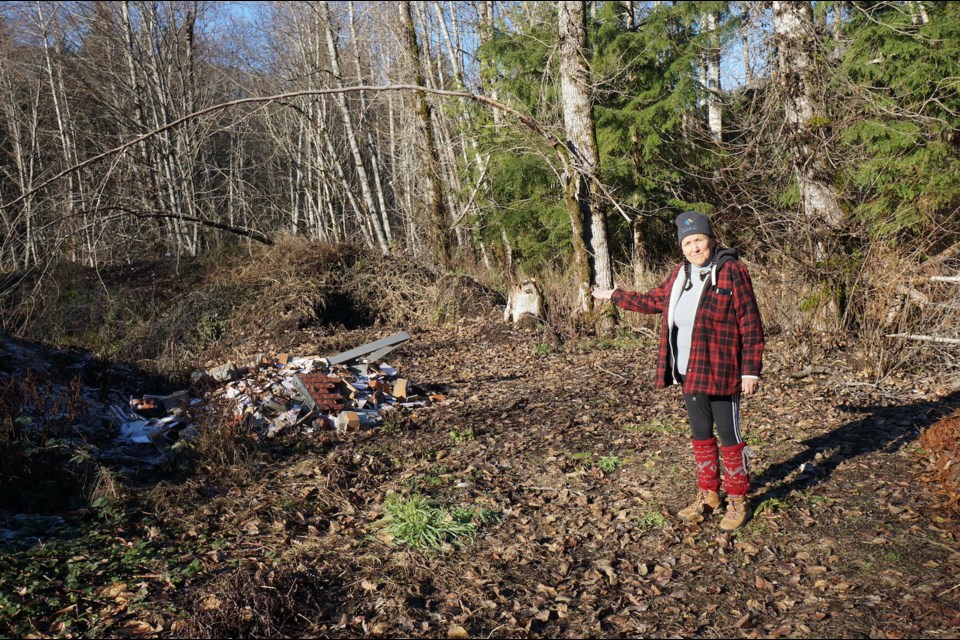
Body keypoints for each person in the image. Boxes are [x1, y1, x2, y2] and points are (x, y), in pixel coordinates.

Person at [592, 211, 764, 530]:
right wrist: (615, 296)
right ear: (682, 248)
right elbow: (654, 300)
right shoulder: (680, 274)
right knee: (701, 437)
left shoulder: (732, 272)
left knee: (729, 438)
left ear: (711, 240)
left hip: (724, 372)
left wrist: (750, 371)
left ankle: (739, 499)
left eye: (699, 239)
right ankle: (708, 494)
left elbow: (750, 322)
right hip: (689, 371)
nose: (694, 247)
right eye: (688, 243)